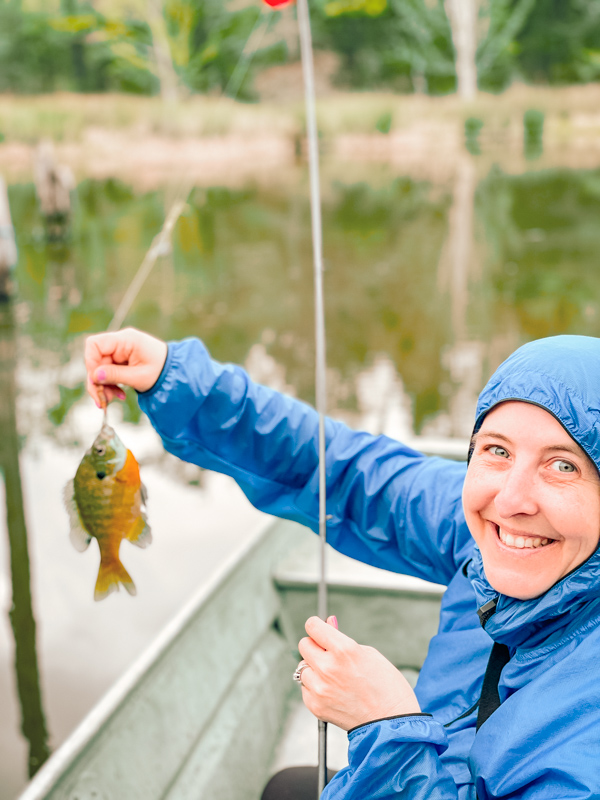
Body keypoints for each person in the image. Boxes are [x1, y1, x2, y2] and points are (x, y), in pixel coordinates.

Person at [85, 328, 600, 800]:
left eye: (562, 465)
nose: (511, 500)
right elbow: (348, 471)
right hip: (419, 763)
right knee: (285, 789)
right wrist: (179, 382)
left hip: (404, 764)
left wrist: (386, 727)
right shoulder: (486, 532)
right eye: (497, 450)